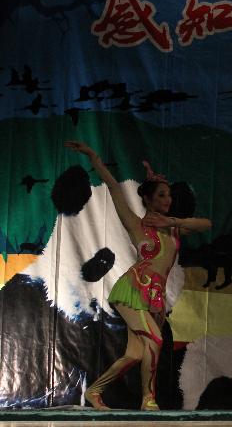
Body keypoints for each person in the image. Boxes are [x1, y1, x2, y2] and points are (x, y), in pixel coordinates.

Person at [64, 141, 212, 410]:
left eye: (169, 196)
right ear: (148, 199)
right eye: (161, 196)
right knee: (155, 341)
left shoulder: (174, 228)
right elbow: (113, 186)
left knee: (134, 353)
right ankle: (148, 398)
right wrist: (94, 157)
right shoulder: (136, 224)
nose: (167, 201)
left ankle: (95, 391)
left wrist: (173, 222)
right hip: (132, 290)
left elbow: (206, 224)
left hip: (153, 297)